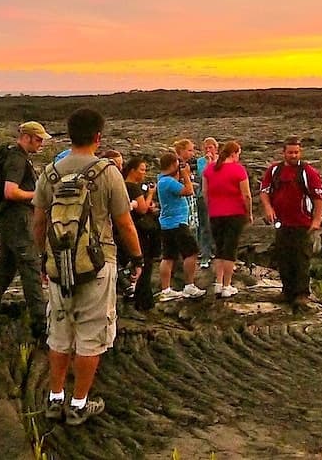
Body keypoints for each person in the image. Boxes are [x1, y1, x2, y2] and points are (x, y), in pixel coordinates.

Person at [34, 108, 141, 426]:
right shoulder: (107, 172)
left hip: (58, 266)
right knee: (91, 336)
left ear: (69, 134)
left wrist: (45, 257)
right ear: (98, 137)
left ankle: (55, 398)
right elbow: (125, 223)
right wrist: (137, 258)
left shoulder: (50, 172)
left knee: (60, 333)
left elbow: (38, 222)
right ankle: (79, 403)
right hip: (98, 265)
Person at [0, 121, 52, 336]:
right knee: (30, 265)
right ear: (27, 137)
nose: (41, 144)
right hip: (17, 219)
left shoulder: (13, 155)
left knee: (5, 267)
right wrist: (38, 195)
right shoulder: (17, 159)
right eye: (38, 140)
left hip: (8, 219)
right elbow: (11, 191)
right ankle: (39, 322)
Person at [259, 137, 322, 309]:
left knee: (301, 258)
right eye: (290, 152)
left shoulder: (308, 172)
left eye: (296, 152)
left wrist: (317, 219)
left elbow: (318, 197)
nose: (294, 155)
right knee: (283, 256)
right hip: (282, 222)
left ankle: (302, 293)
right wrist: (268, 208)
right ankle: (287, 291)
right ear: (284, 153)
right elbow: (265, 191)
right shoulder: (274, 170)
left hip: (302, 222)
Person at [203, 140, 253, 299]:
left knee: (219, 248)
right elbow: (246, 195)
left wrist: (211, 207)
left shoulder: (209, 169)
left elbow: (204, 192)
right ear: (234, 153)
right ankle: (227, 285)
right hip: (234, 213)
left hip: (215, 213)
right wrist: (249, 213)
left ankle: (218, 282)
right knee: (230, 249)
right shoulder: (238, 170)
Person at [156, 151, 205, 302]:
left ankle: (166, 289)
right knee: (192, 252)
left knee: (168, 257)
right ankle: (189, 285)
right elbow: (189, 191)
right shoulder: (169, 182)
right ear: (172, 165)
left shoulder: (161, 180)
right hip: (177, 223)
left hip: (166, 224)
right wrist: (185, 175)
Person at [122, 156, 160, 311]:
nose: (144, 173)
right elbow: (142, 209)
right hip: (141, 230)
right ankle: (143, 300)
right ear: (133, 170)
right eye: (142, 170)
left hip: (133, 228)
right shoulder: (133, 187)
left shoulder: (123, 186)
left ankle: (136, 295)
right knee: (145, 265)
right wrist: (151, 193)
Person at [174, 139, 210, 268]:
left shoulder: (186, 165)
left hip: (190, 202)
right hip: (182, 205)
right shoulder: (177, 165)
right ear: (181, 150)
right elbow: (178, 185)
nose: (192, 153)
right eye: (189, 150)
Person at [194, 137, 218, 267]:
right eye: (206, 148)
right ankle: (205, 255)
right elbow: (204, 175)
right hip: (203, 196)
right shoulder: (200, 161)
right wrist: (208, 163)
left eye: (211, 147)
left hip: (218, 197)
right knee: (204, 226)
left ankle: (215, 251)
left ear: (216, 148)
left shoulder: (221, 161)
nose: (208, 150)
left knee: (216, 225)